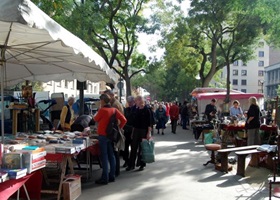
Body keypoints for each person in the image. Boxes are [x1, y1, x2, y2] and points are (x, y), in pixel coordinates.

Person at [93, 94, 127, 184]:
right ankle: (112, 175)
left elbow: (95, 119)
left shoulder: (102, 110)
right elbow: (124, 120)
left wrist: (100, 108)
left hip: (103, 136)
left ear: (102, 101)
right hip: (111, 136)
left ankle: (105, 178)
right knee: (111, 155)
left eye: (100, 100)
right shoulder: (114, 110)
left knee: (104, 157)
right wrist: (119, 128)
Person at [126, 95, 152, 171]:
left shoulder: (147, 110)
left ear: (140, 101)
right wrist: (132, 132)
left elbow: (149, 123)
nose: (135, 102)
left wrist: (148, 133)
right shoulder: (136, 109)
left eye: (136, 101)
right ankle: (131, 164)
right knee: (133, 148)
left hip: (143, 130)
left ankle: (141, 164)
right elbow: (134, 123)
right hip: (136, 130)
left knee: (142, 148)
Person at [122, 96, 136, 168]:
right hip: (127, 131)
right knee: (126, 147)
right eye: (129, 102)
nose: (130, 103)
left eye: (131, 102)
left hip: (133, 131)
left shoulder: (136, 110)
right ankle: (126, 161)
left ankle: (131, 162)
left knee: (133, 148)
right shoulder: (126, 110)